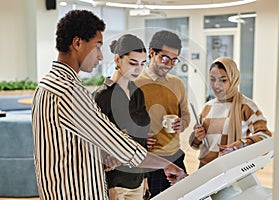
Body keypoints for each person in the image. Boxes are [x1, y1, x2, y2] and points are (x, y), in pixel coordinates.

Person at [31, 10, 185, 200]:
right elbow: (120, 146)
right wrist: (166, 165)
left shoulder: (47, 84)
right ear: (78, 43)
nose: (100, 56)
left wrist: (104, 157)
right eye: (97, 47)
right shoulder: (68, 91)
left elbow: (72, 147)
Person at [189, 57, 272, 198]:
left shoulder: (246, 106)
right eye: (212, 79)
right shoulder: (207, 107)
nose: (216, 85)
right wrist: (196, 137)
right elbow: (196, 145)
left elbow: (266, 137)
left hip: (232, 171)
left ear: (233, 79)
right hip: (205, 170)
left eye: (223, 79)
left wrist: (242, 143)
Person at [93, 34, 150, 200]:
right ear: (118, 60)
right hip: (116, 184)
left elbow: (142, 138)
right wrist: (110, 186)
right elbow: (98, 145)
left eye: (142, 64)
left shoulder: (138, 93)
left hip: (138, 180)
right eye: (133, 63)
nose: (138, 69)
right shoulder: (102, 96)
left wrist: (145, 176)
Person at [135, 30, 190, 197]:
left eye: (174, 60)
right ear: (152, 53)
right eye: (165, 58)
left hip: (176, 155)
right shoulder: (135, 83)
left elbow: (186, 116)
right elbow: (124, 125)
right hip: (150, 159)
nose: (169, 64)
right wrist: (140, 137)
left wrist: (182, 123)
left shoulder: (177, 83)